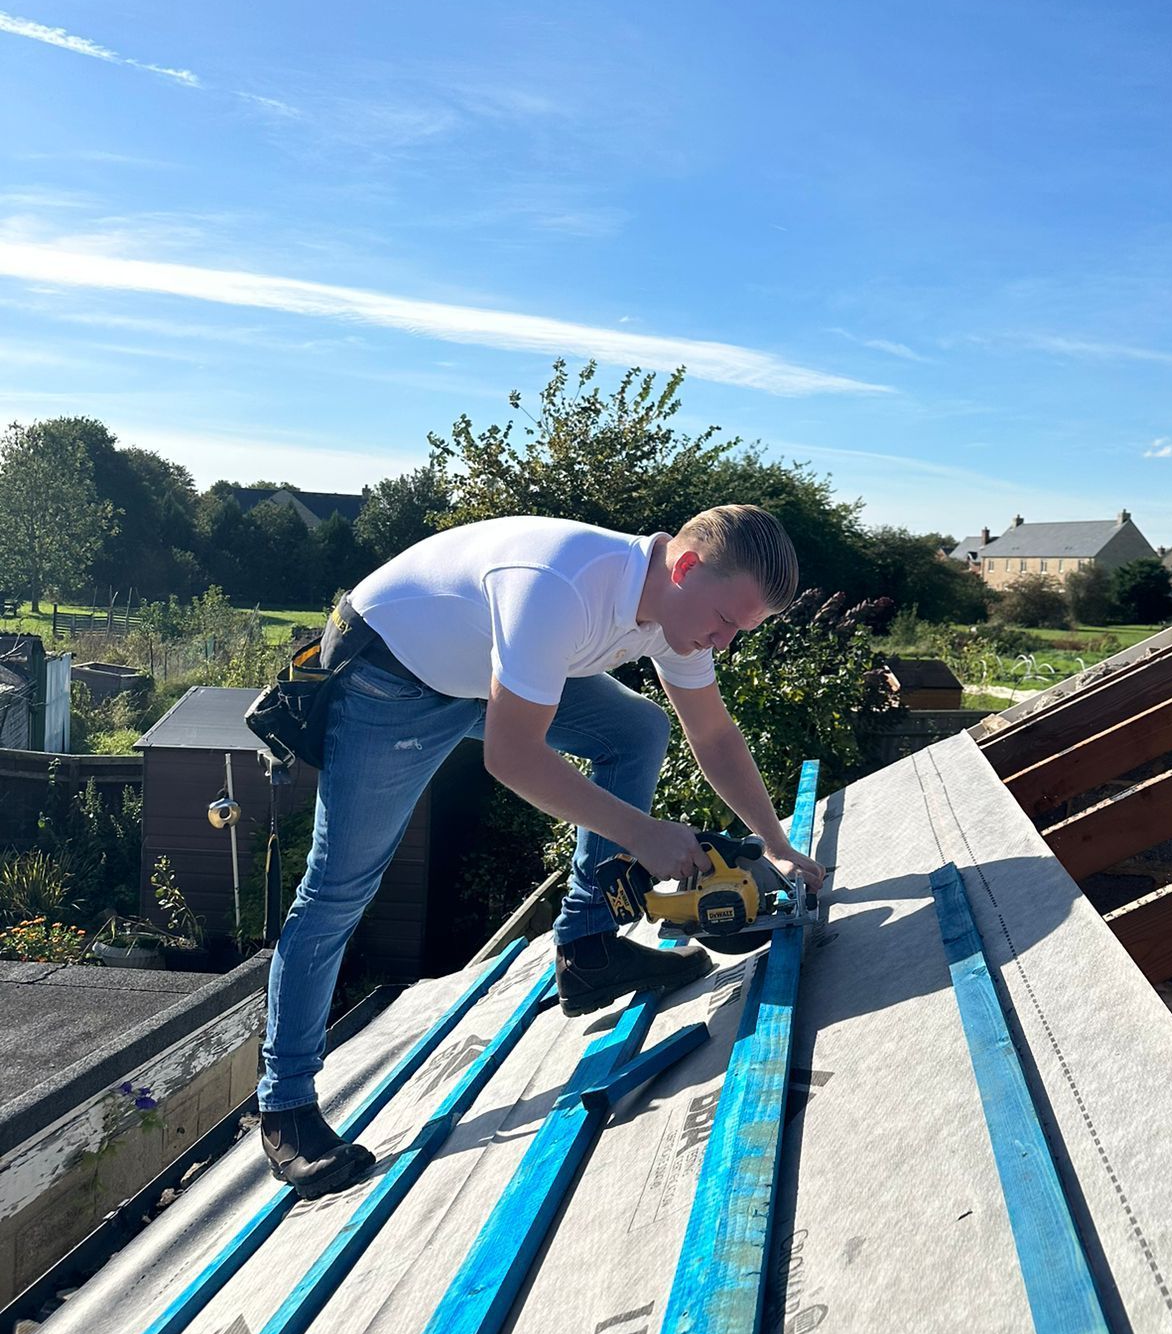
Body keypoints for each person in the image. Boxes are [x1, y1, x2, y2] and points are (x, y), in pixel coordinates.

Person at [257, 503, 826, 1198]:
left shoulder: (681, 617)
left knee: (639, 730)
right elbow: (513, 756)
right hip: (393, 676)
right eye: (728, 622)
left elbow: (711, 736)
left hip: (482, 666)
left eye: (740, 630)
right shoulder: (561, 587)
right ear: (684, 567)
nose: (725, 642)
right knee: (339, 890)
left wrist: (776, 843)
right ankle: (284, 1106)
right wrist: (643, 835)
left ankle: (587, 949)